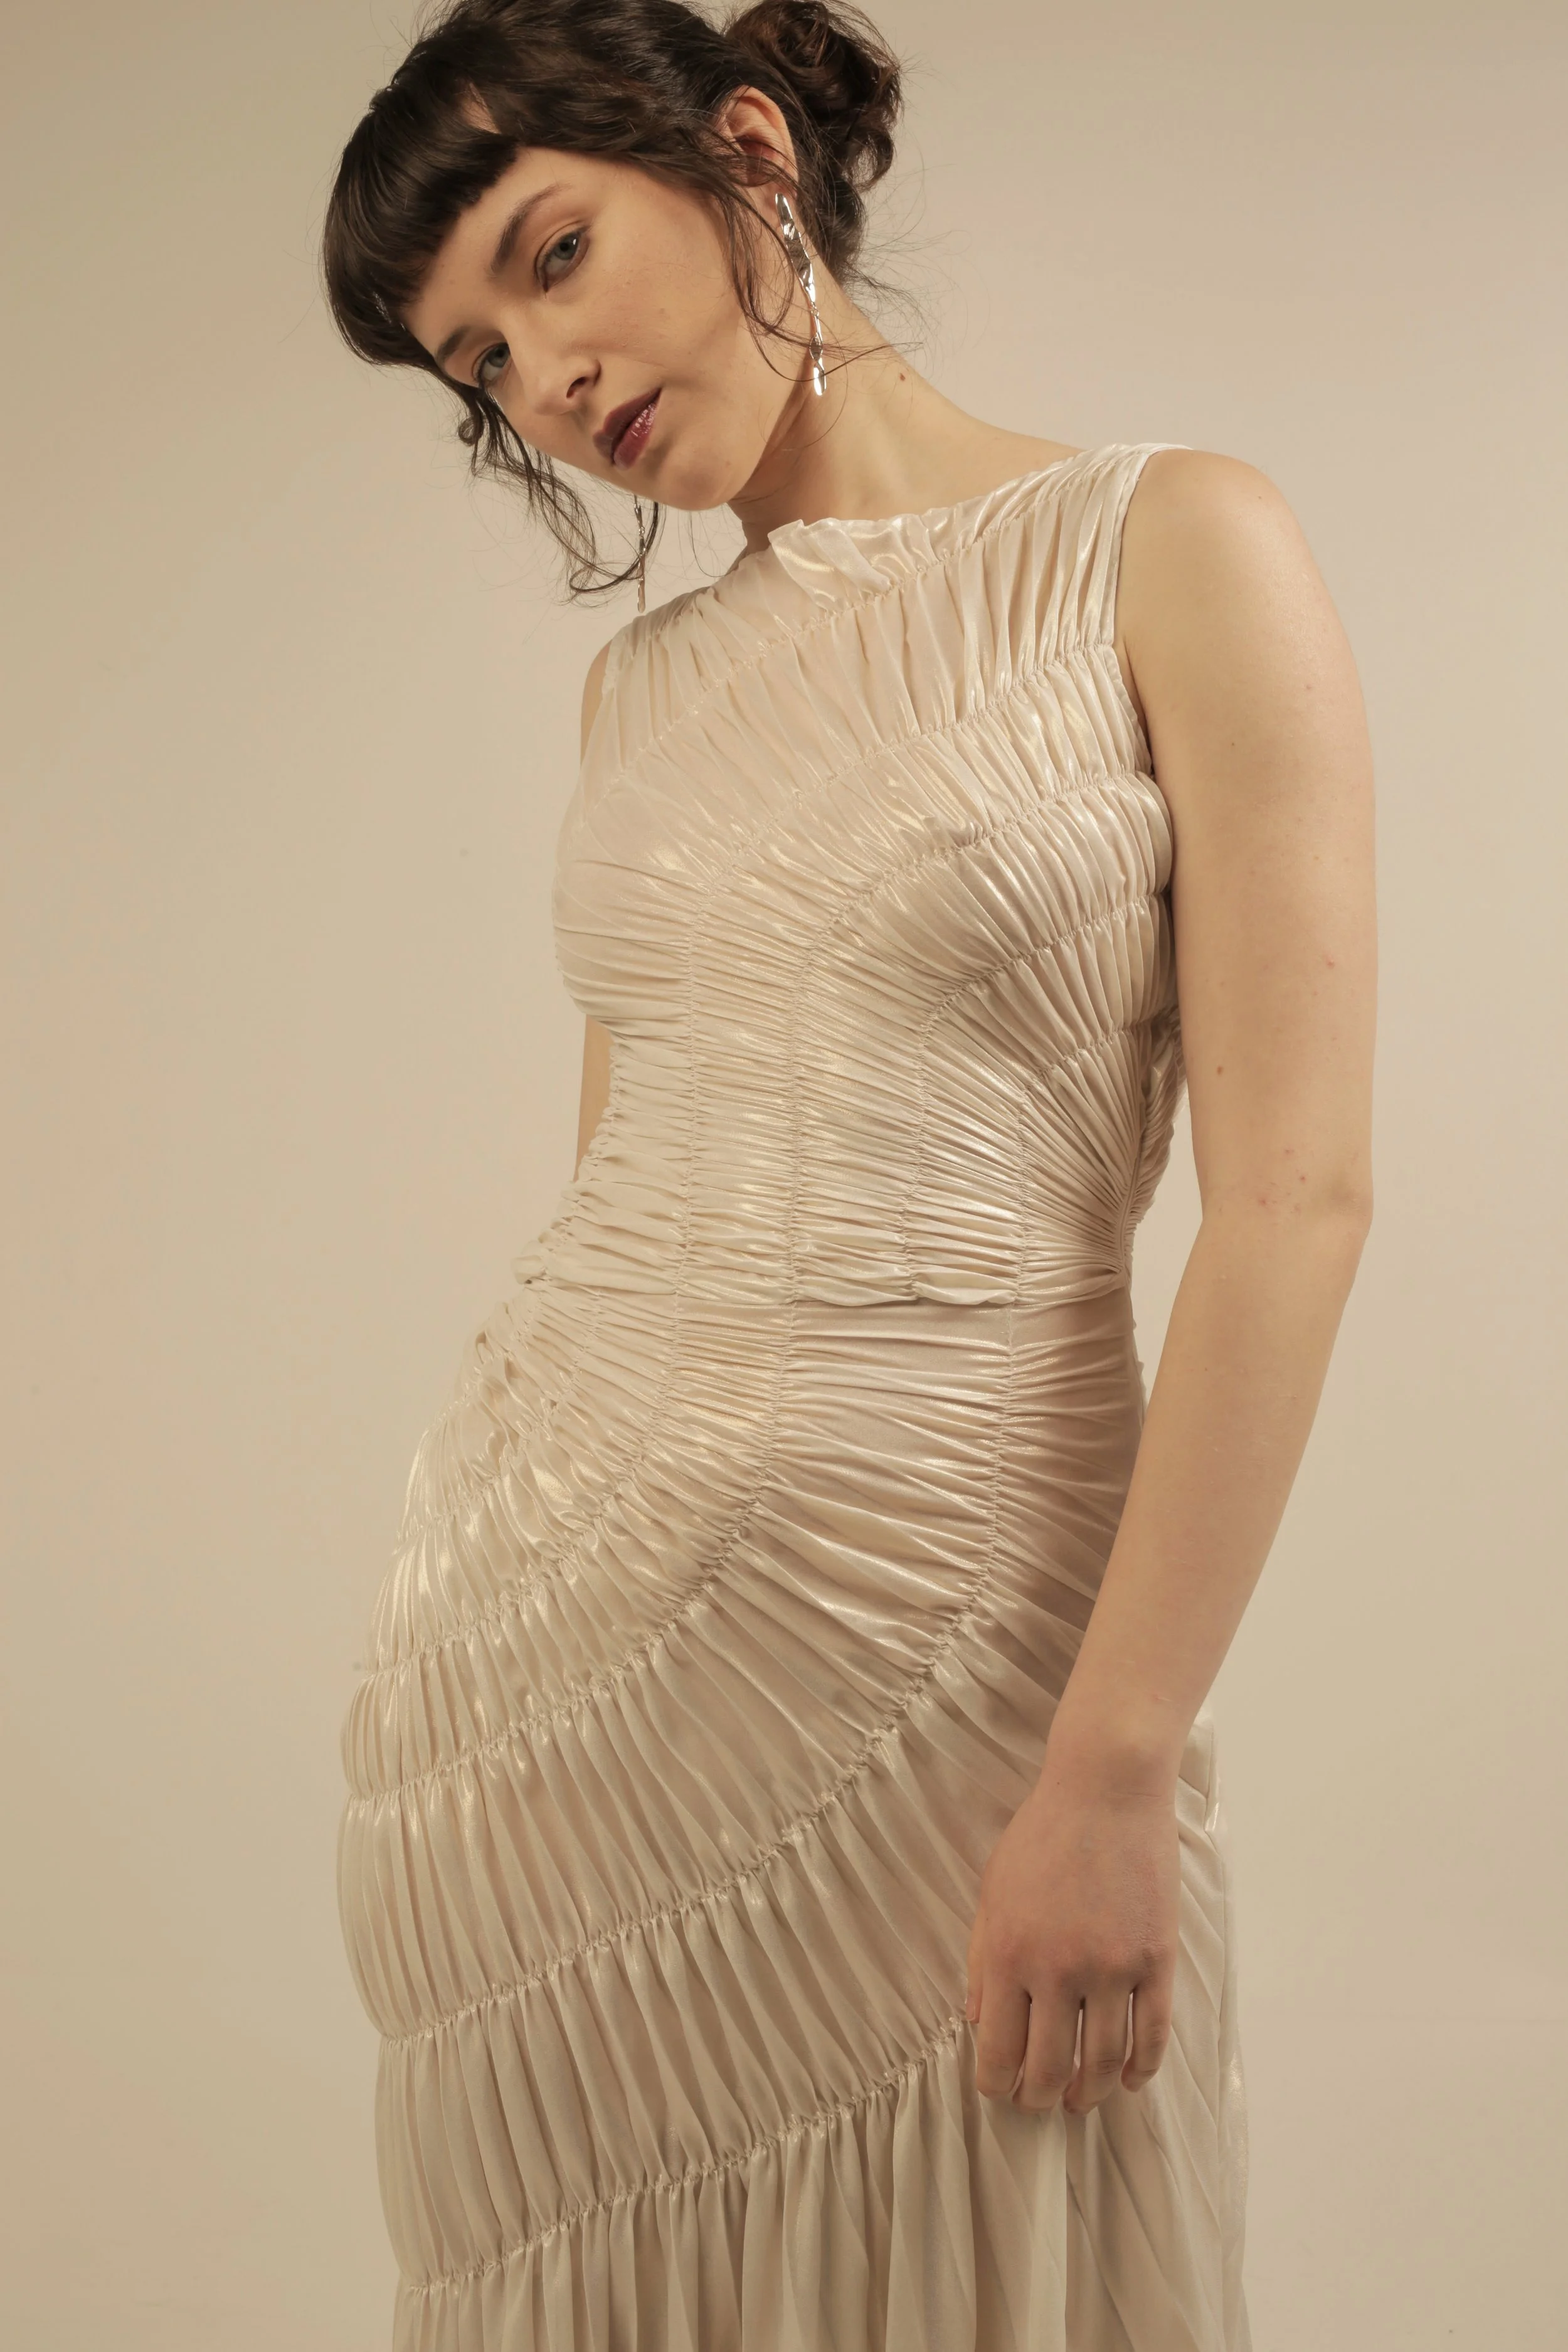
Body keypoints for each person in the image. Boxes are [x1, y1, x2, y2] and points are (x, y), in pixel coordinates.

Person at [320, 2, 1376, 2346]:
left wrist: (1107, 1764)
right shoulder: (644, 698)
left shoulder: (1168, 541)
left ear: (750, 154)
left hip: (969, 1694)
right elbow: (635, 1199)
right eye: (477, 359)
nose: (541, 375)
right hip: (553, 1729)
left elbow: (1296, 1203)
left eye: (552, 254)